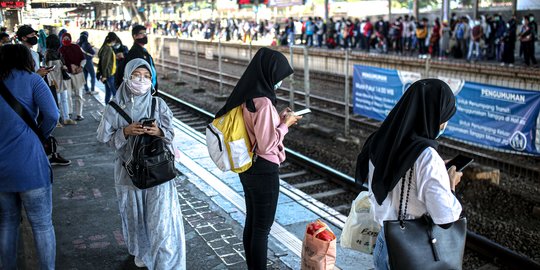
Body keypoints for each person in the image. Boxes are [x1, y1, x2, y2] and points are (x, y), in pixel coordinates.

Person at [355, 79, 463, 270]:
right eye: (444, 117)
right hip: (414, 252)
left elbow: (398, 169)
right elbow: (445, 219)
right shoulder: (428, 158)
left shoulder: (380, 139)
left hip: (385, 244)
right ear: (432, 116)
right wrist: (450, 182)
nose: (444, 123)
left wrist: (435, 171)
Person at [214, 48, 301, 270]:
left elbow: (259, 132)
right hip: (264, 169)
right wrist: (285, 125)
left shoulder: (249, 96)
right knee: (262, 229)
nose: (280, 81)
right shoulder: (263, 102)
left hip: (249, 168)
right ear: (269, 73)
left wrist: (278, 120)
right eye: (279, 76)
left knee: (253, 224)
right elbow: (266, 144)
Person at [96, 58, 185, 269]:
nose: (142, 80)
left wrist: (159, 132)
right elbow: (103, 138)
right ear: (127, 77)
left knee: (161, 222)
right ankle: (141, 253)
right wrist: (125, 132)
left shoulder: (158, 104)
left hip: (158, 172)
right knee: (135, 218)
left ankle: (167, 263)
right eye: (137, 75)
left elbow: (171, 134)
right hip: (129, 173)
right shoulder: (114, 107)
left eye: (147, 76)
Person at [0, 43, 59, 270]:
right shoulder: (33, 79)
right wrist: (40, 135)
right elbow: (52, 114)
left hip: (2, 168)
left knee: (7, 223)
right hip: (30, 164)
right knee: (42, 224)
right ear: (27, 59)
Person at [115, 25, 158, 95]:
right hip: (143, 92)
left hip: (148, 90)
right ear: (135, 36)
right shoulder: (134, 53)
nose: (145, 36)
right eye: (142, 34)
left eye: (145, 33)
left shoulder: (142, 51)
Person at [59, 32, 86, 121]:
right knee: (68, 95)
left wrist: (81, 67)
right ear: (62, 39)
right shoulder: (60, 50)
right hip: (67, 75)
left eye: (67, 38)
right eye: (64, 38)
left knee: (79, 94)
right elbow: (60, 63)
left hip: (78, 74)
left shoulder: (76, 47)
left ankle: (79, 114)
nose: (66, 40)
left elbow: (83, 59)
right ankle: (69, 112)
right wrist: (65, 67)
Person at [97, 32, 118, 104]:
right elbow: (105, 63)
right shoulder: (108, 49)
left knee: (108, 93)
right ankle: (117, 109)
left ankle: (107, 108)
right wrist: (104, 76)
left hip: (109, 74)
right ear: (113, 40)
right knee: (115, 94)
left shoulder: (106, 47)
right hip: (109, 74)